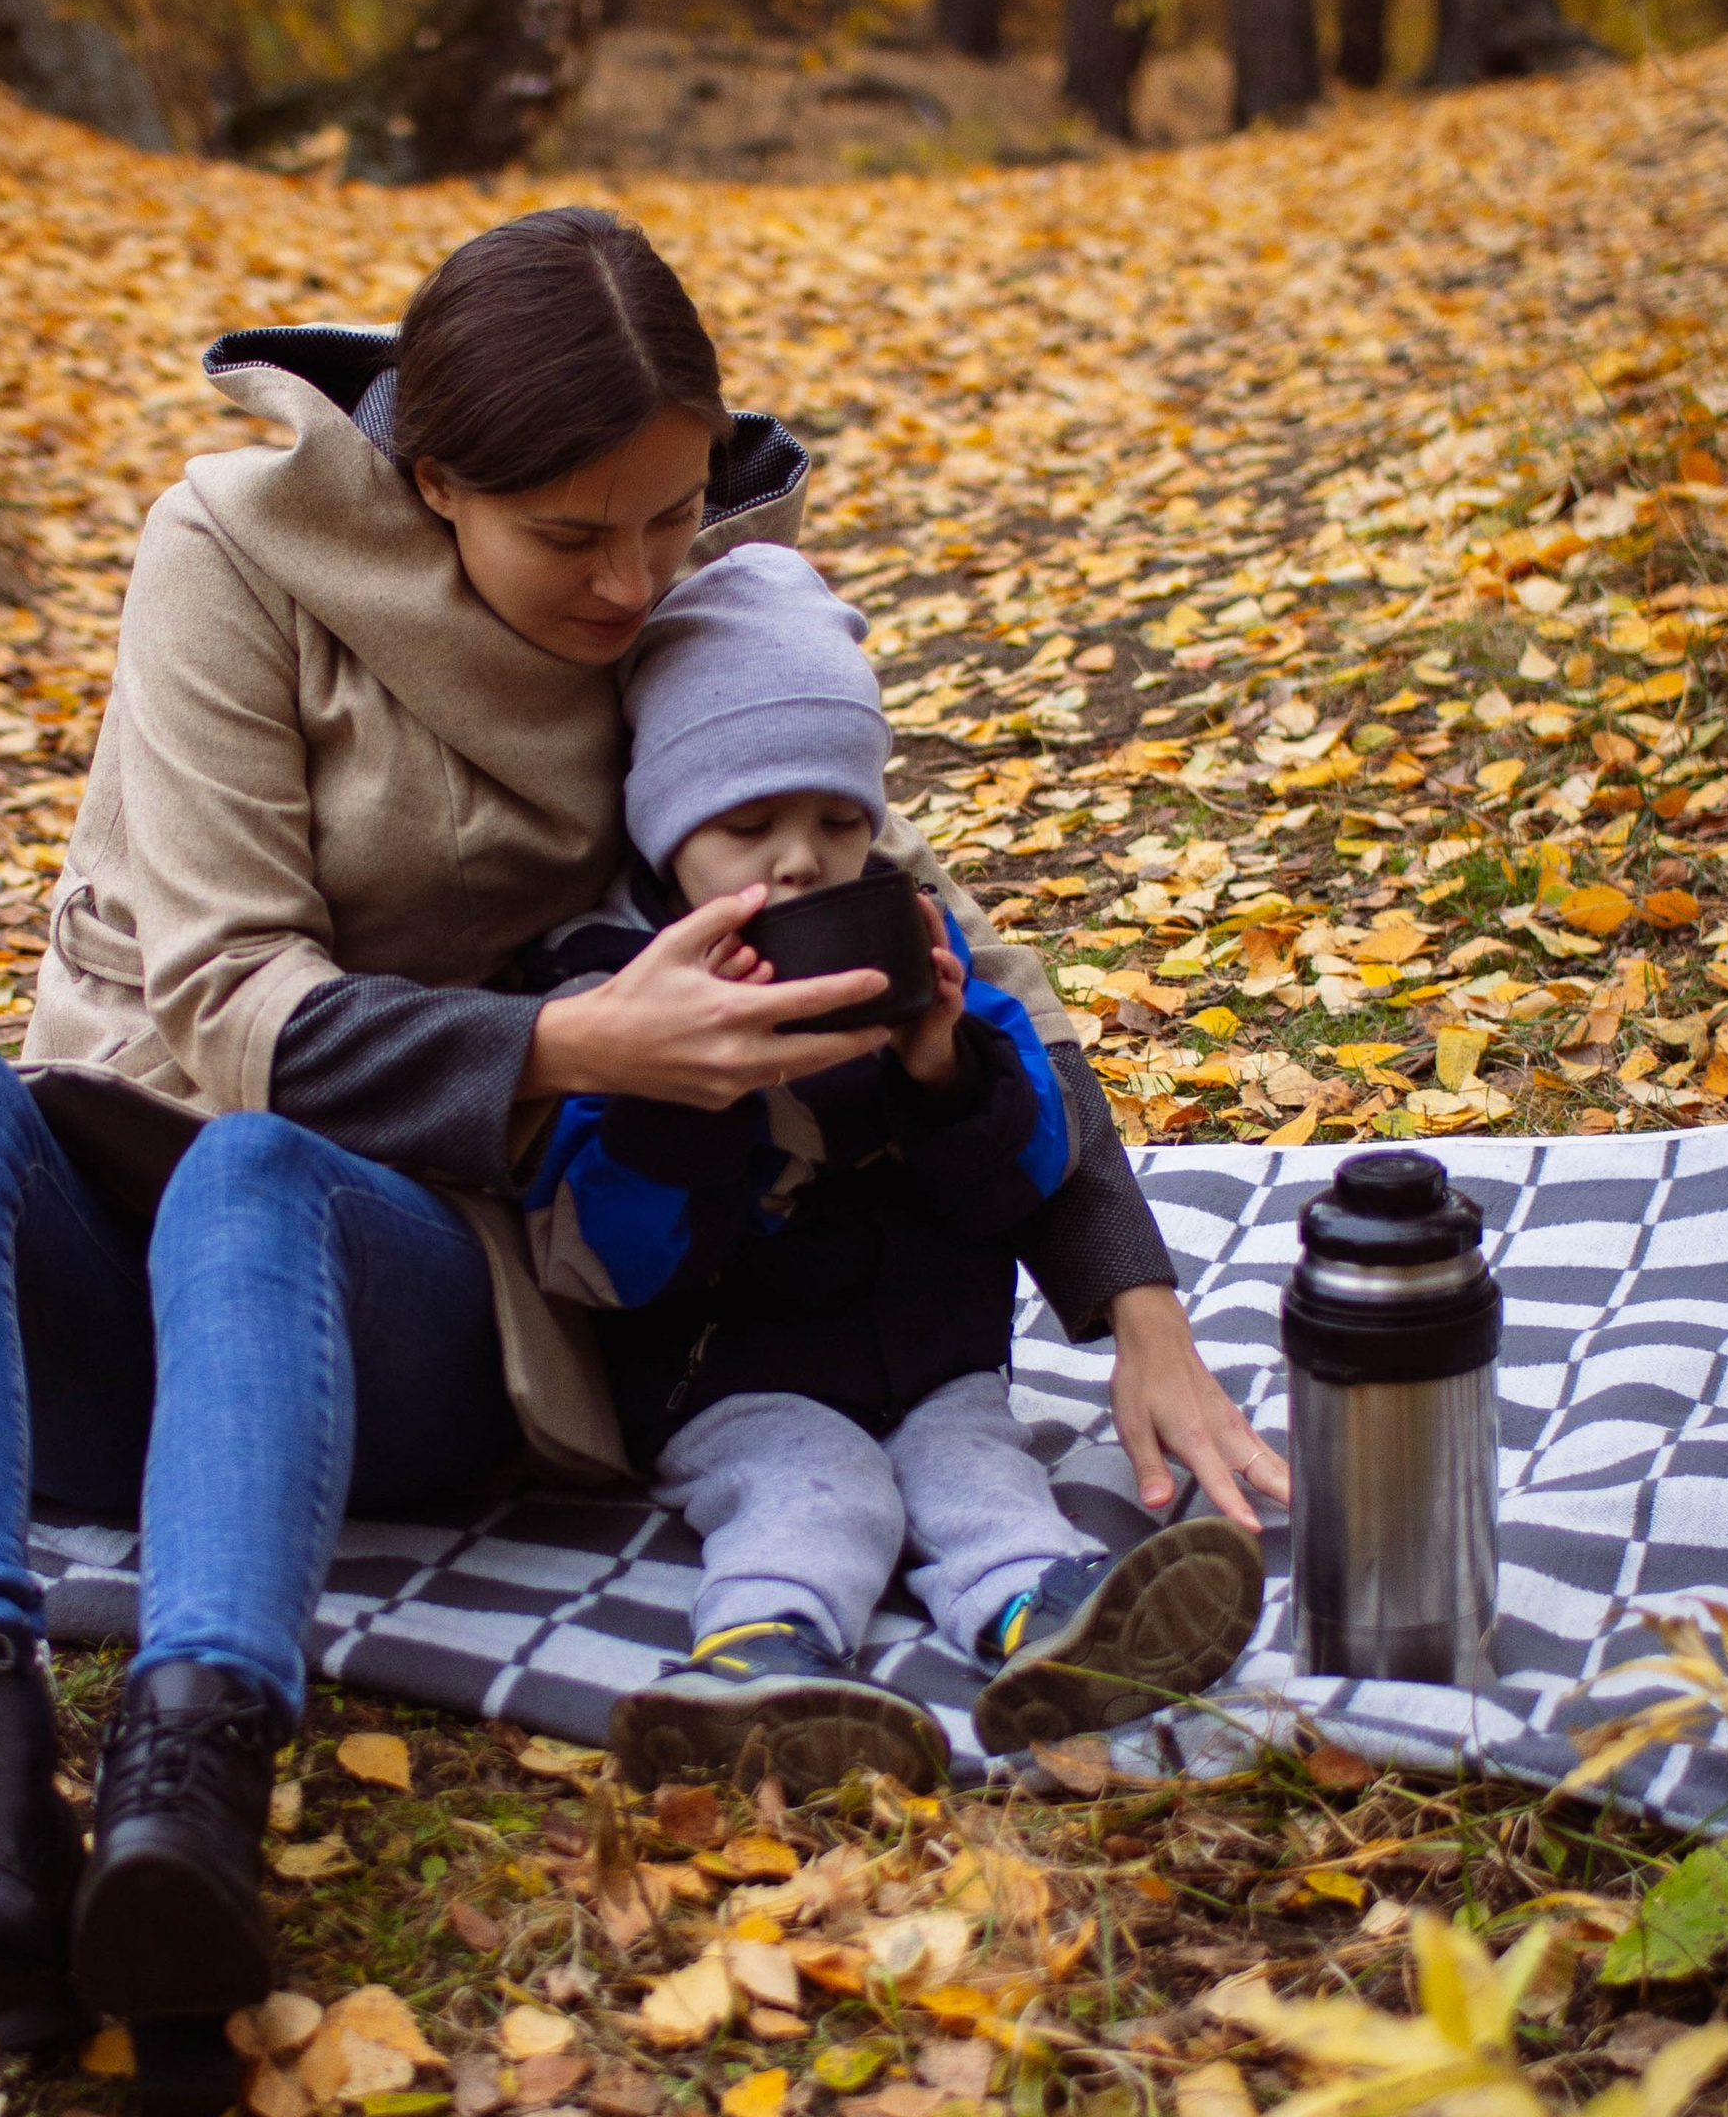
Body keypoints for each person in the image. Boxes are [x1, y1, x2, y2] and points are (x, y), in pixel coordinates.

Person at [0, 205, 1285, 2117]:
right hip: (153, 1201)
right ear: (433, 482)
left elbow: (949, 953)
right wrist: (574, 1040)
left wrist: (1141, 1311)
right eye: (572, 538)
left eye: (671, 518)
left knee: (262, 1181)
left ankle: (194, 1797)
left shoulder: (707, 585)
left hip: (418, 1280)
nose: (633, 583)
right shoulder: (241, 552)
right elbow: (225, 992)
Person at [514, 544, 1265, 1794]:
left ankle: (1063, 1634)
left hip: (933, 1348)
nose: (802, 860)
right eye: (748, 825)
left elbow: (1022, 1174)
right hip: (727, 1370)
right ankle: (757, 1668)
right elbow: (606, 1257)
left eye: (839, 819)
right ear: (662, 822)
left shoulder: (918, 937)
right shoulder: (610, 982)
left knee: (985, 1476)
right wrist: (696, 1091)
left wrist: (944, 1066)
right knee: (823, 1490)